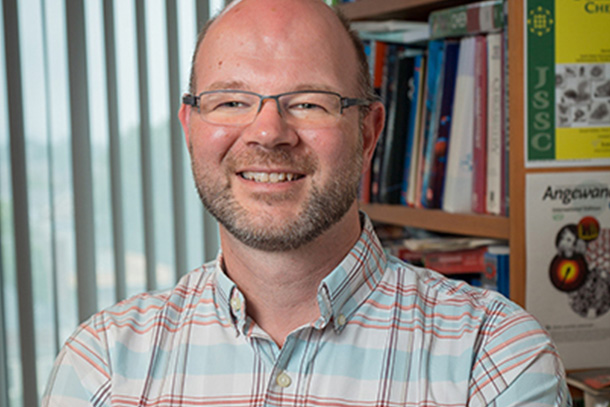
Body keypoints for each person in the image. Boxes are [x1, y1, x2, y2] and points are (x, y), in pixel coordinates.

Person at [43, 0, 572, 405]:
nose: (269, 133)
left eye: (309, 103)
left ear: (368, 132)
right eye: (230, 101)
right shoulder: (103, 365)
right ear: (190, 130)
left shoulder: (497, 357)